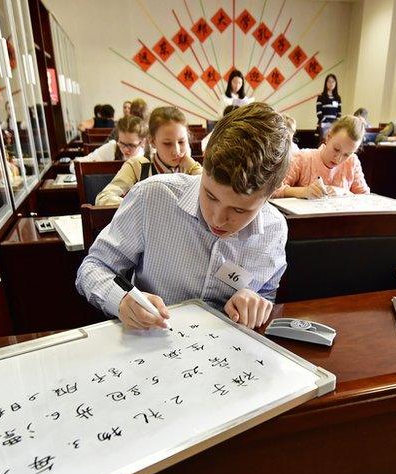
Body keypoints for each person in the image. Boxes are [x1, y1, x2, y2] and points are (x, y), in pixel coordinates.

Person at [75, 102, 292, 329]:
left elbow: (267, 293)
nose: (217, 220)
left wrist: (255, 304)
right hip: (155, 342)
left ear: (270, 195)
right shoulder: (153, 196)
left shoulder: (274, 229)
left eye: (240, 210)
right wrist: (120, 299)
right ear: (203, 161)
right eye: (210, 195)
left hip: (227, 349)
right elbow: (93, 267)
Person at [96, 106, 202, 206]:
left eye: (181, 142)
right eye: (167, 144)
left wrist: (194, 167)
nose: (176, 151)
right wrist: (143, 205)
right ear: (152, 141)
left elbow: (213, 195)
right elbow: (104, 198)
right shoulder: (137, 166)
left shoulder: (191, 168)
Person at [273, 115, 368, 198]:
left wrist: (344, 192)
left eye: (347, 154)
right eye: (336, 149)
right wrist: (302, 191)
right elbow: (273, 190)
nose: (338, 159)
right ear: (328, 137)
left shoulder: (352, 162)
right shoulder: (302, 158)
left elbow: (365, 197)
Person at [71, 115, 147, 172]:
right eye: (122, 143)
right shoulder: (113, 147)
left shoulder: (150, 156)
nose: (125, 149)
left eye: (131, 145)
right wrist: (94, 168)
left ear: (143, 142)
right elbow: (75, 165)